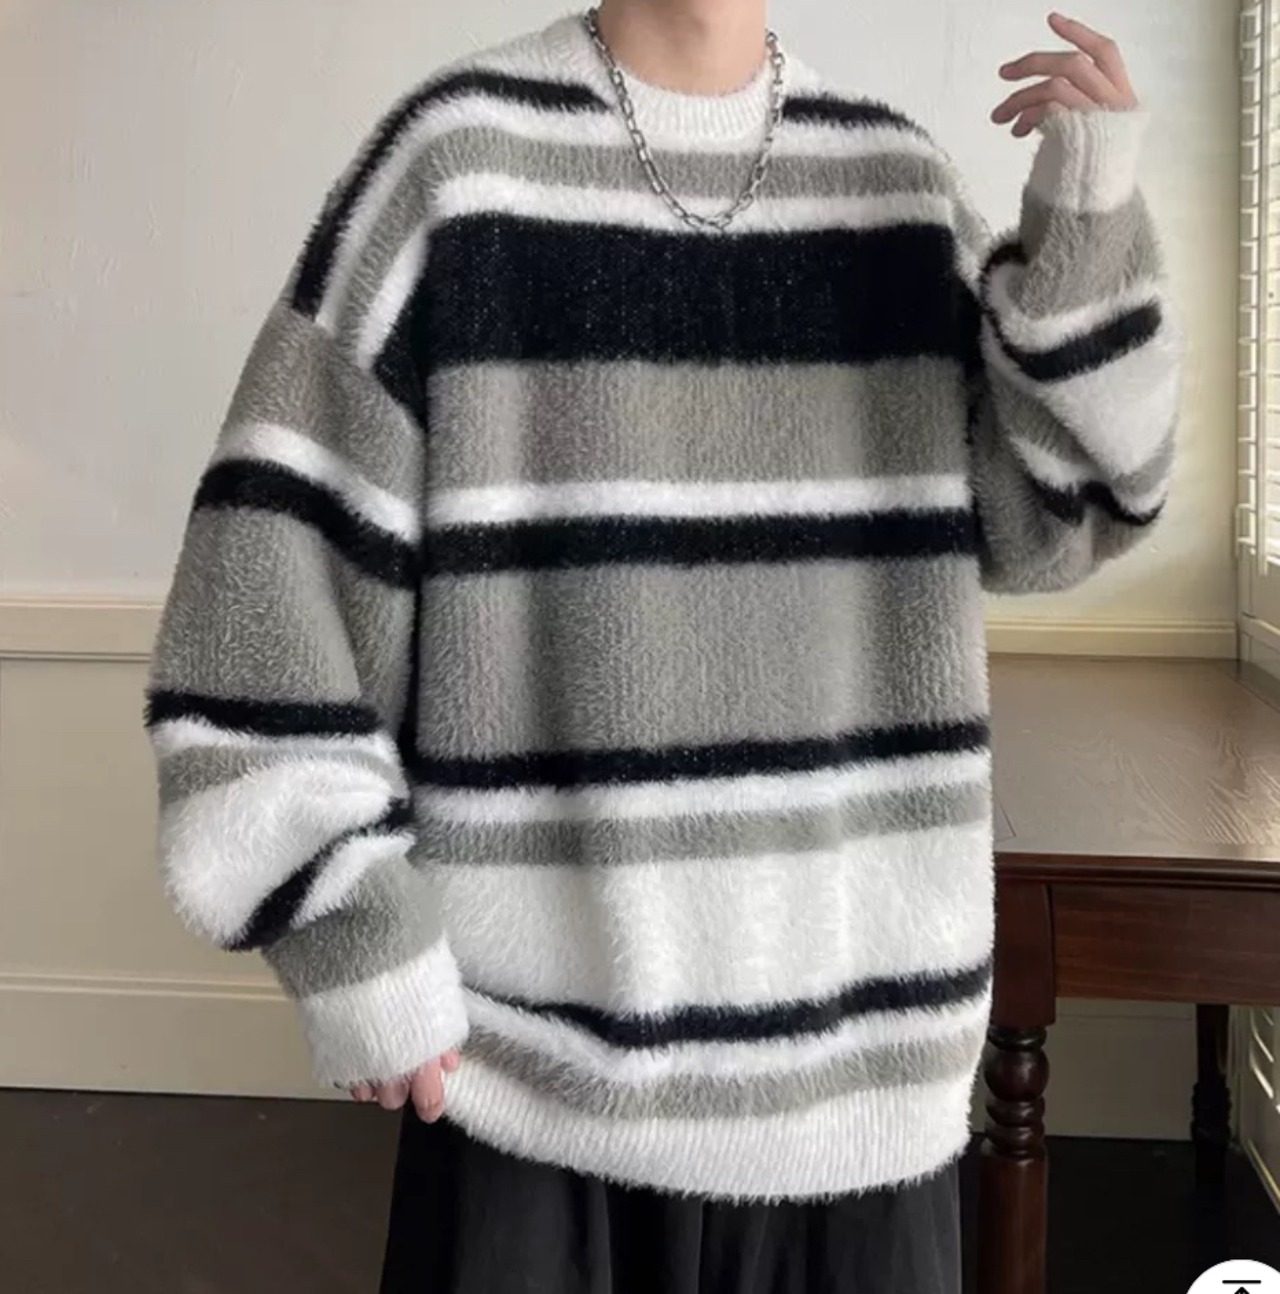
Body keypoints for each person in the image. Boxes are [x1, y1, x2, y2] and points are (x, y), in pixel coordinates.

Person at [143, 2, 1182, 1290]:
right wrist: (352, 931)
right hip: (532, 1093)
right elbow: (260, 599)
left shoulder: (899, 188)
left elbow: (1067, 514)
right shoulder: (455, 170)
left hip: (857, 1091)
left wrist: (1088, 218)